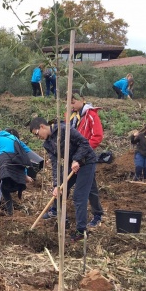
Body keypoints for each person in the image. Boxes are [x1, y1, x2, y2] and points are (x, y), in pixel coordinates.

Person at [29, 116, 100, 242]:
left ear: (42, 127)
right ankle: (64, 221)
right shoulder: (47, 144)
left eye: (36, 133)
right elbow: (56, 165)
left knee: (79, 196)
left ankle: (81, 230)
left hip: (86, 162)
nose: (37, 137)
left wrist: (77, 159)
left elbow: (84, 143)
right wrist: (57, 185)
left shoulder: (64, 129)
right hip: (71, 165)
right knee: (60, 191)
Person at [68, 93, 105, 226]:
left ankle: (97, 214)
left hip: (86, 158)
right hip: (73, 158)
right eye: (69, 102)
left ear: (82, 100)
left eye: (73, 102)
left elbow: (97, 136)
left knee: (90, 188)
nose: (71, 105)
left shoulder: (91, 115)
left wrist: (82, 153)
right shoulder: (71, 116)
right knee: (65, 184)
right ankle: (57, 211)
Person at [0, 128, 34, 215]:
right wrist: (25, 174)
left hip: (3, 162)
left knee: (2, 186)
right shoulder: (13, 138)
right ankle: (10, 212)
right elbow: (22, 156)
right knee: (5, 186)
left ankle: (9, 212)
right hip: (16, 161)